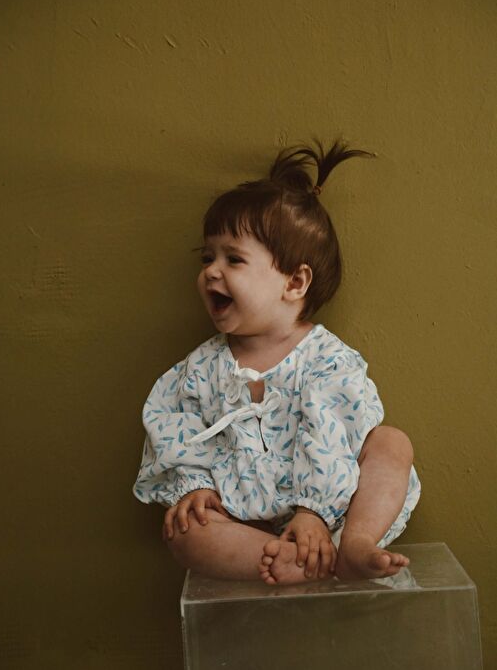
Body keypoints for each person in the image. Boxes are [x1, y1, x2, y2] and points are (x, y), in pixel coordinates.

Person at [133, 140, 421, 584]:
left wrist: (313, 513)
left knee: (391, 443)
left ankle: (355, 543)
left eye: (233, 259)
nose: (211, 271)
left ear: (295, 282)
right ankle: (286, 562)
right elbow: (177, 429)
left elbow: (331, 433)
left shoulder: (327, 359)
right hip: (243, 523)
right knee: (185, 532)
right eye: (208, 257)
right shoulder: (201, 369)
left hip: (331, 510)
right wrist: (196, 488)